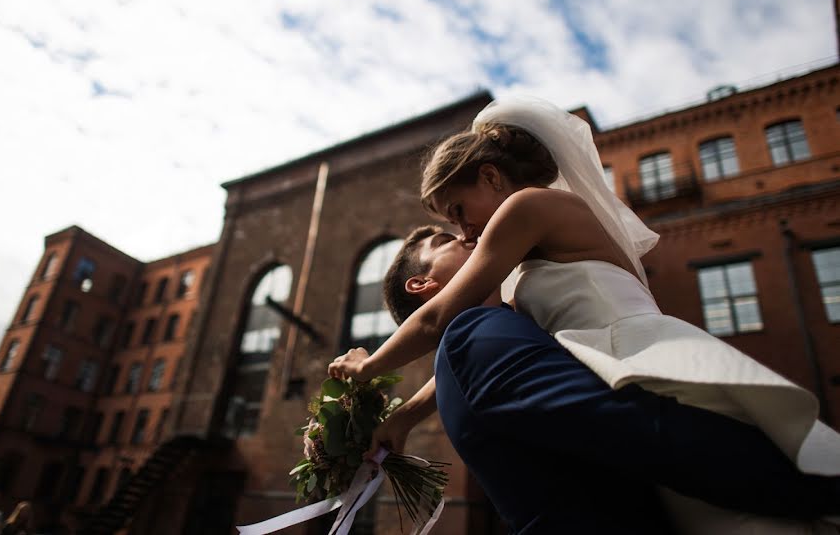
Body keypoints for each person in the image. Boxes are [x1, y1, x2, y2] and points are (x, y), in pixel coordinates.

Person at [329, 97, 840, 532]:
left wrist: (367, 367)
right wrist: (403, 418)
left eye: (458, 212)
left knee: (727, 471)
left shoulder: (527, 207)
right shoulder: (521, 250)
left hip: (631, 354)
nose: (464, 233)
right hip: (607, 362)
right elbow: (461, 360)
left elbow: (440, 319)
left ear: (490, 175)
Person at [353, 224, 840, 533]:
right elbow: (638, 431)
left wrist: (404, 416)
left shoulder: (476, 345)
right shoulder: (475, 334)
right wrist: (807, 486)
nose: (467, 235)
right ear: (423, 285)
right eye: (443, 240)